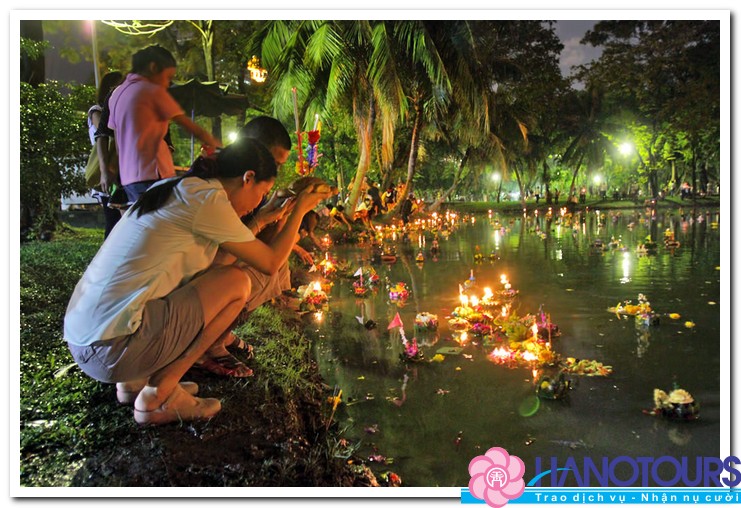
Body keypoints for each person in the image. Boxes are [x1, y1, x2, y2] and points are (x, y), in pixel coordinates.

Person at [64, 139, 331, 425]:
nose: (259, 202)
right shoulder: (208, 200)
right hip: (112, 349)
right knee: (237, 284)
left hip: (88, 341)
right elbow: (270, 263)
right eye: (262, 193)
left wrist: (265, 219)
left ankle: (134, 383)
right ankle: (159, 397)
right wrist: (301, 209)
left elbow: (216, 265)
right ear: (248, 178)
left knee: (219, 279)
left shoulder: (180, 188)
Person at [107, 45, 221, 205]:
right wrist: (219, 147)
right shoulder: (151, 91)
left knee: (147, 226)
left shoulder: (117, 94)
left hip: (129, 178)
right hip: (153, 174)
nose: (167, 84)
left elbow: (117, 140)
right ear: (153, 67)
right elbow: (190, 126)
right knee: (167, 224)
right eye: (168, 77)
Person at [87, 71, 124, 237]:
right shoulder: (96, 111)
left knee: (120, 218)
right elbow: (104, 131)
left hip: (118, 167)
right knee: (112, 219)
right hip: (106, 168)